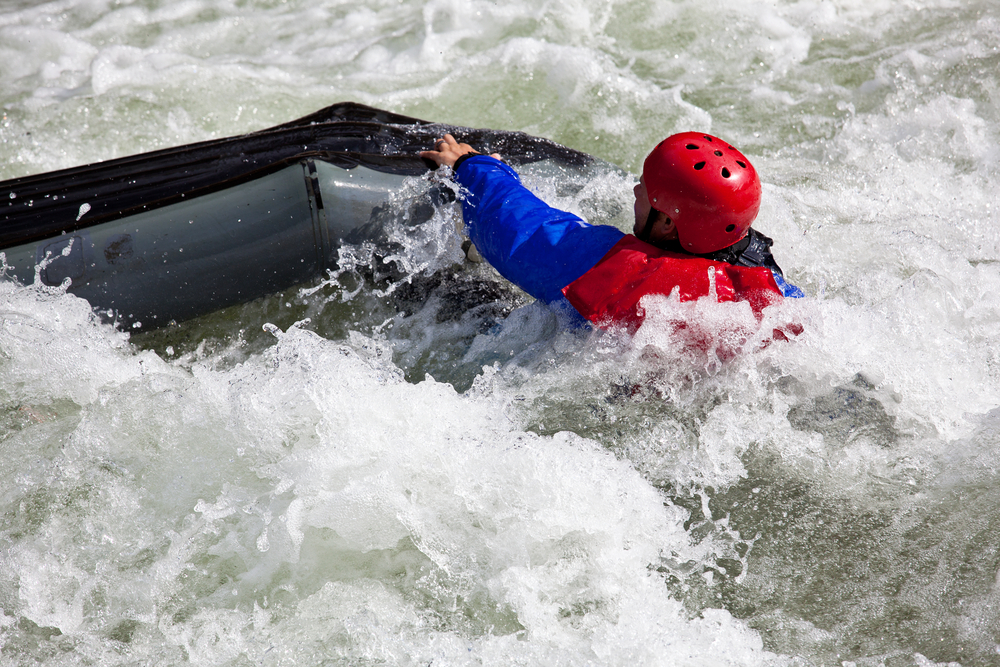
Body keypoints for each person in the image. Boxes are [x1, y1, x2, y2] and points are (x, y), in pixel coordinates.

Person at [420, 132, 802, 331]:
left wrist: (472, 167)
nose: (636, 190)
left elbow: (524, 234)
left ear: (668, 223)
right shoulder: (772, 286)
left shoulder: (626, 272)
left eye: (646, 190)